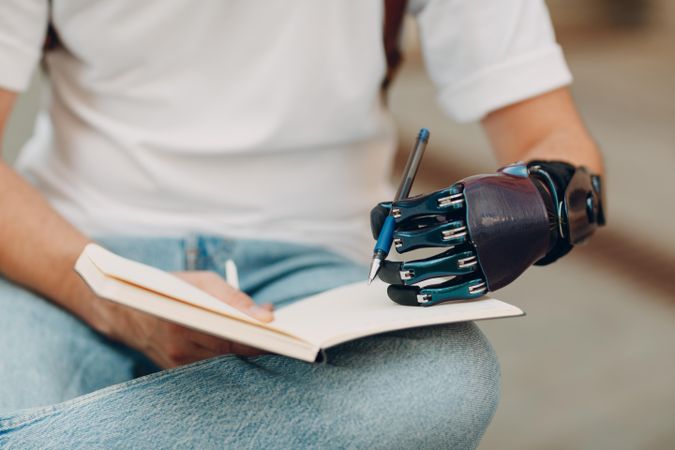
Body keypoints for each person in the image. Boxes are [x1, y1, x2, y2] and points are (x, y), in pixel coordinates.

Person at [0, 1, 604, 448]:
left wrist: (538, 201)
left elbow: (555, 138)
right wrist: (113, 300)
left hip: (317, 271)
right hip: (76, 256)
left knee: (450, 381)